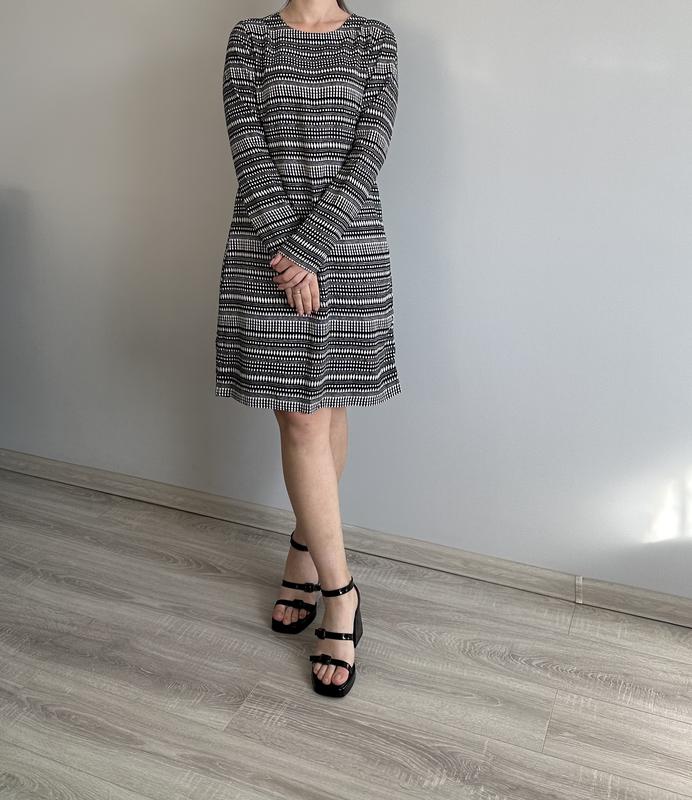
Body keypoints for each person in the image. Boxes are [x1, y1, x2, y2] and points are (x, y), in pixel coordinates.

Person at [215, 0, 400, 697]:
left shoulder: (375, 41)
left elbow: (369, 151)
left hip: (347, 249)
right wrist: (290, 254)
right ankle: (341, 590)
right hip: (267, 254)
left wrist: (313, 248)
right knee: (300, 418)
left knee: (329, 407)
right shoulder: (250, 38)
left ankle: (304, 557)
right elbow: (248, 150)